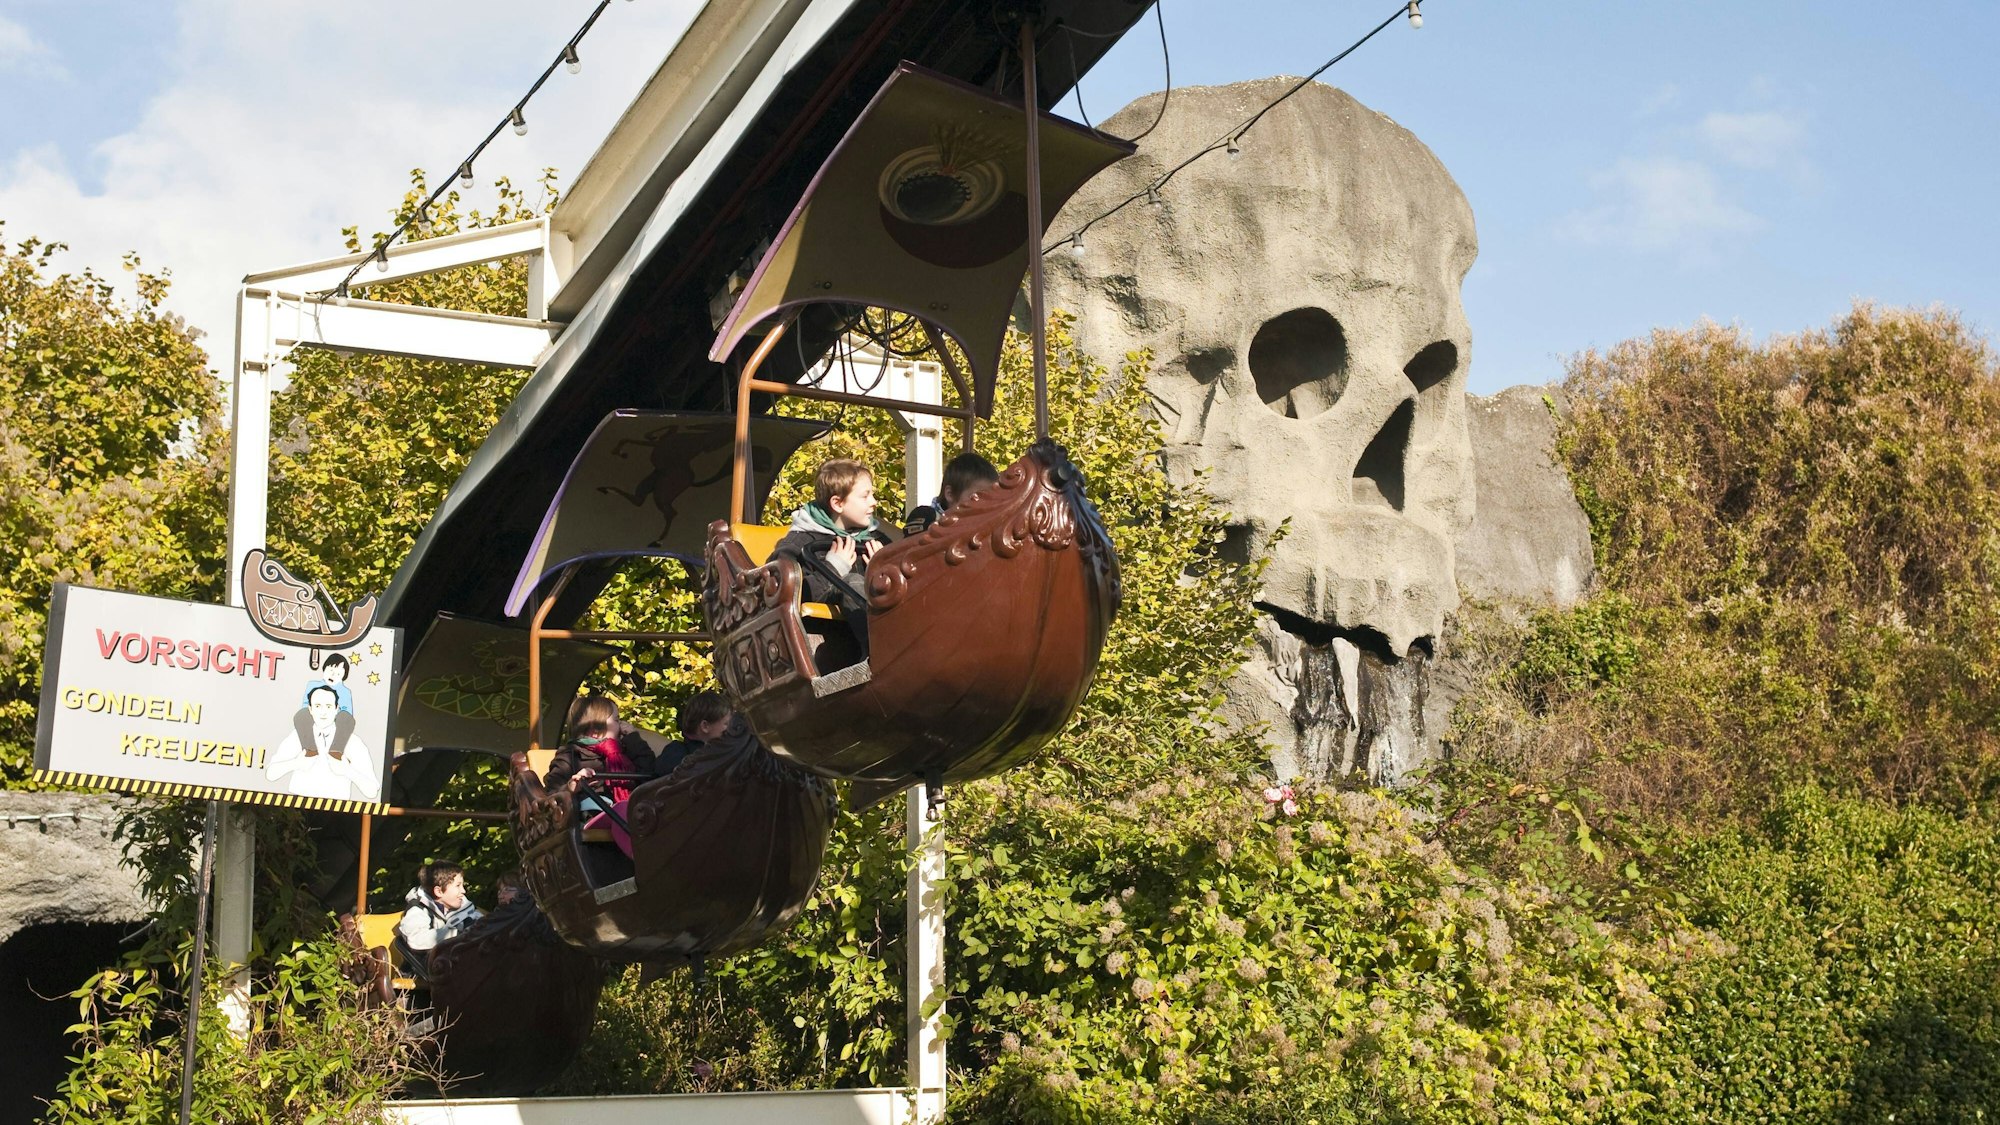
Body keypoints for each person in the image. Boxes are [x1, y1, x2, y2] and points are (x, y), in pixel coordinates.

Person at [773, 458, 892, 608]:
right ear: (838, 503)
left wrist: (887, 570)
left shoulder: (878, 541)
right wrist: (833, 568)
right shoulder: (799, 544)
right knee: (851, 582)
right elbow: (779, 594)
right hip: (824, 629)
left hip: (879, 624)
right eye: (865, 496)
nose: (874, 502)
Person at [266, 684, 380, 801]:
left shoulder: (352, 742)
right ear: (310, 709)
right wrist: (296, 763)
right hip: (298, 806)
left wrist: (348, 771)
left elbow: (372, 791)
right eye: (318, 706)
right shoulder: (298, 736)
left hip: (337, 808)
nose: (323, 712)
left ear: (337, 709)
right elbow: (271, 774)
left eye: (328, 706)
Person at [396, 861, 483, 977]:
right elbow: (415, 939)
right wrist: (455, 934)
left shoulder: (466, 909)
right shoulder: (418, 910)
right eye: (458, 886)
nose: (463, 891)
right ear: (439, 891)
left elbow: (484, 926)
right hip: (431, 968)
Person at [903, 451, 1001, 536]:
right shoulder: (927, 520)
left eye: (989, 500)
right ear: (950, 494)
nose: (983, 506)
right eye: (975, 497)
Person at [291, 653, 357, 761]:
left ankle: (337, 750)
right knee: (301, 715)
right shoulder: (312, 685)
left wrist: (334, 715)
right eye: (330, 670)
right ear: (324, 669)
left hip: (333, 718)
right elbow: (305, 704)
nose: (333, 675)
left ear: (343, 676)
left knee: (347, 719)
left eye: (338, 673)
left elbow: (347, 712)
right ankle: (309, 748)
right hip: (314, 715)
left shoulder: (345, 692)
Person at [655, 690, 731, 779]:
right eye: (726, 723)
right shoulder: (676, 754)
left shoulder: (726, 751)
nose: (731, 728)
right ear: (705, 726)